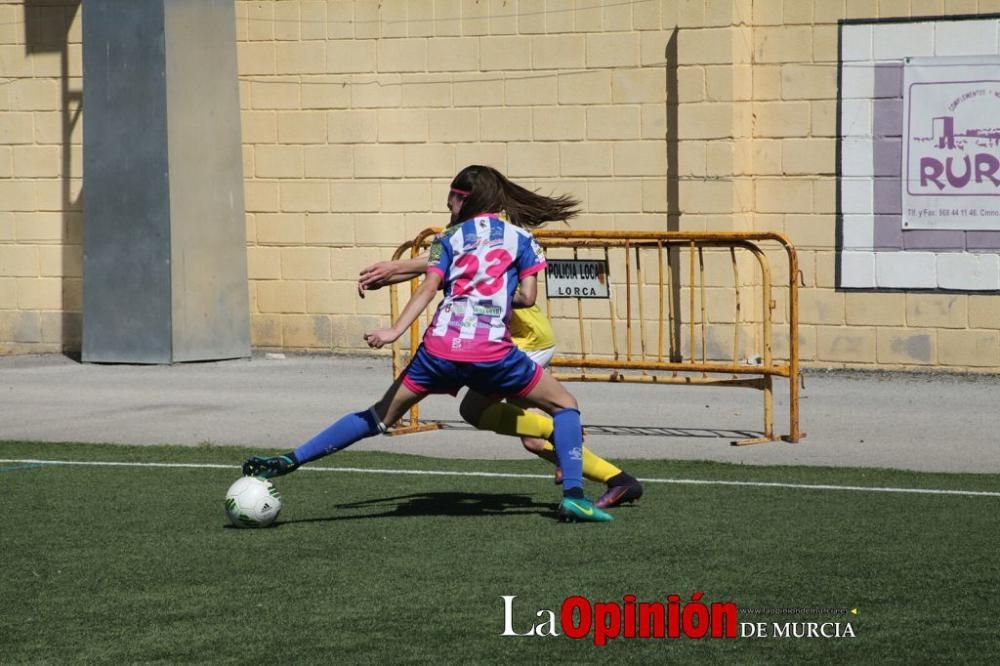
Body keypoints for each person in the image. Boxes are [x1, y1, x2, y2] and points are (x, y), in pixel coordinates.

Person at [243, 165, 615, 522]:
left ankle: (290, 460)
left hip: (439, 351)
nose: (447, 208)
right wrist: (496, 292)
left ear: (465, 199)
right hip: (492, 353)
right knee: (565, 405)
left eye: (451, 201)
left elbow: (428, 287)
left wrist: (395, 330)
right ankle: (575, 498)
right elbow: (528, 298)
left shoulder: (447, 240)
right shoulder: (523, 240)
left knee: (376, 417)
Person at [358, 254, 643, 509]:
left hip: (522, 340)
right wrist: (388, 275)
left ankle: (606, 471)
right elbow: (434, 262)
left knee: (506, 423)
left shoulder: (484, 224)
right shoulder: (470, 226)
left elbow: (438, 259)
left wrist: (394, 267)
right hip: (512, 337)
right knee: (485, 417)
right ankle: (604, 469)